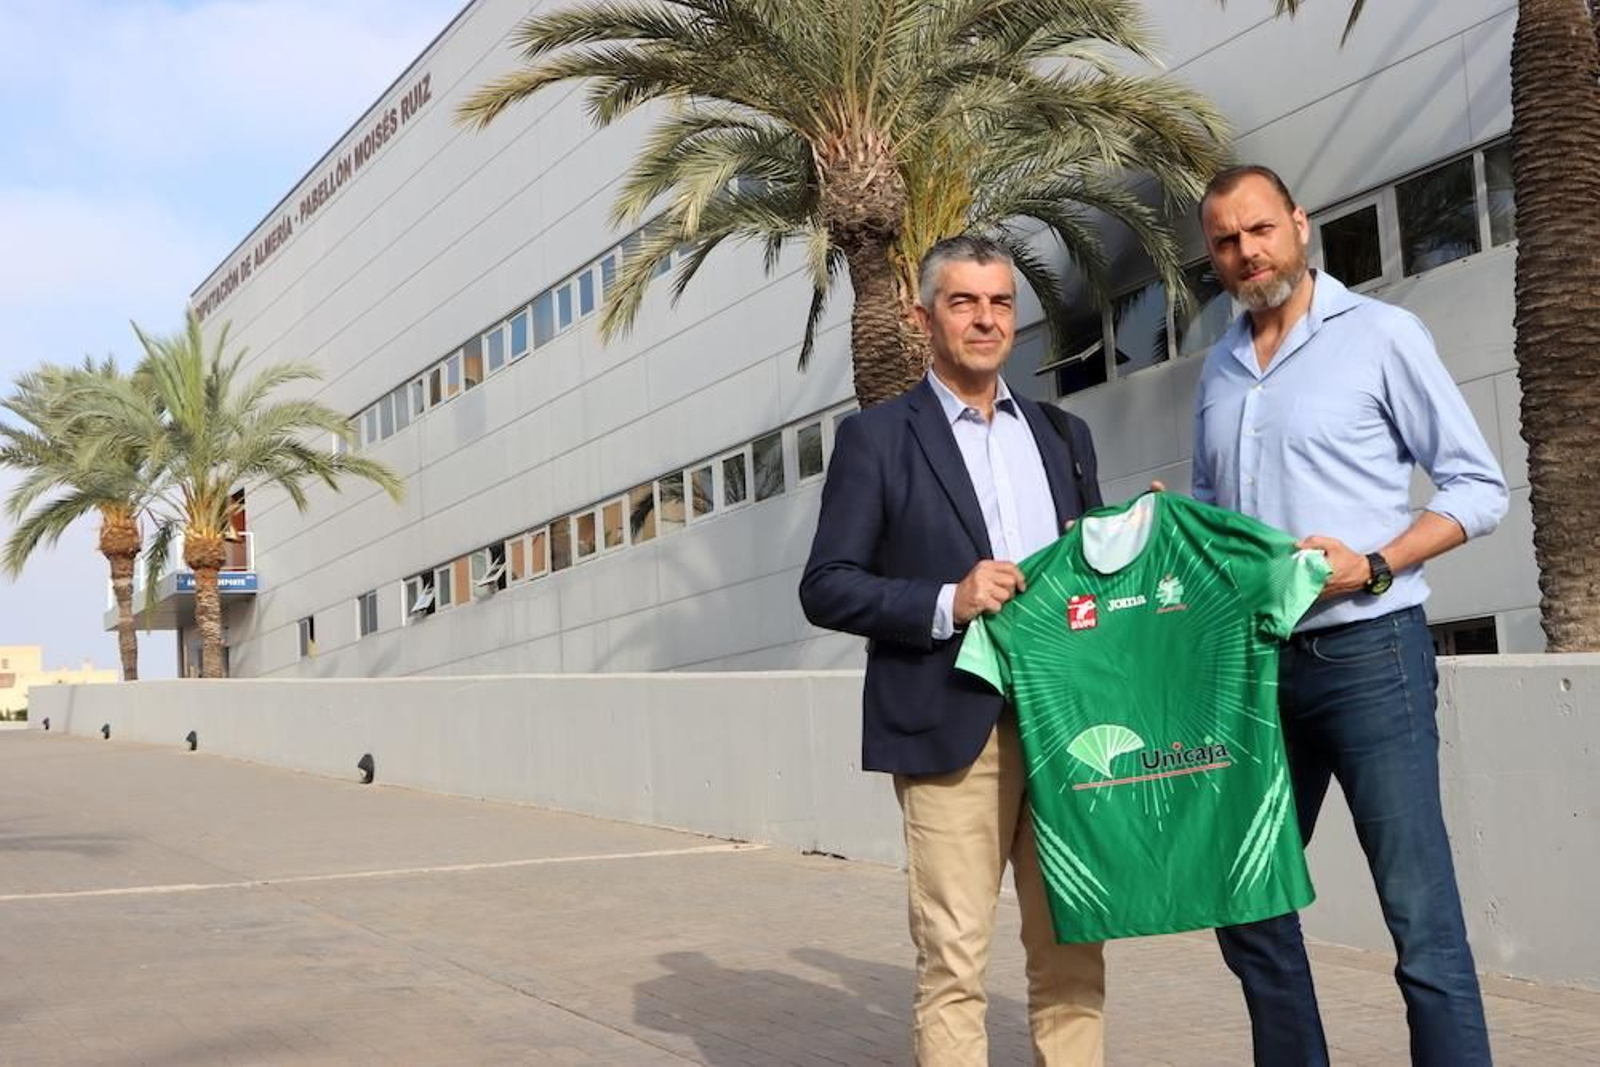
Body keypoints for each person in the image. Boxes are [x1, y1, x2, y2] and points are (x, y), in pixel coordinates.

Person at [1191, 164, 1508, 1066]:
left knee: (1420, 920)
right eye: (1225, 241)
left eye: (1259, 229)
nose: (1247, 252)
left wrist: (1372, 563)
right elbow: (1216, 515)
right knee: (1246, 893)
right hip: (1255, 671)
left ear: (1299, 223)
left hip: (1374, 658)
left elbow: (1478, 489)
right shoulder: (1216, 367)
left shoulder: (1381, 335)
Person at [800, 234, 1106, 1065]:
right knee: (955, 962)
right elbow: (826, 584)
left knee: (1076, 951)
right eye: (963, 302)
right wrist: (949, 600)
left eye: (1000, 302)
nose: (985, 318)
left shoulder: (1063, 435)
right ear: (924, 317)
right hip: (948, 731)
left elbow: (1094, 582)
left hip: (1068, 732)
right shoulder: (876, 439)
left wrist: (1130, 552)